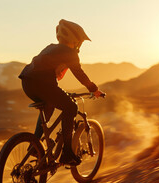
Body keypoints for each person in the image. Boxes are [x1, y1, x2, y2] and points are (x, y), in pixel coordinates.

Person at [19, 19, 104, 165]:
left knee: (49, 104)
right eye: (80, 42)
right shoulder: (70, 53)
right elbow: (79, 74)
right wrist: (94, 89)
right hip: (42, 84)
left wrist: (59, 93)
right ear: (75, 40)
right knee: (71, 107)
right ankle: (67, 153)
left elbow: (46, 73)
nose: (80, 45)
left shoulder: (51, 47)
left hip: (27, 83)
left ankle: (35, 145)